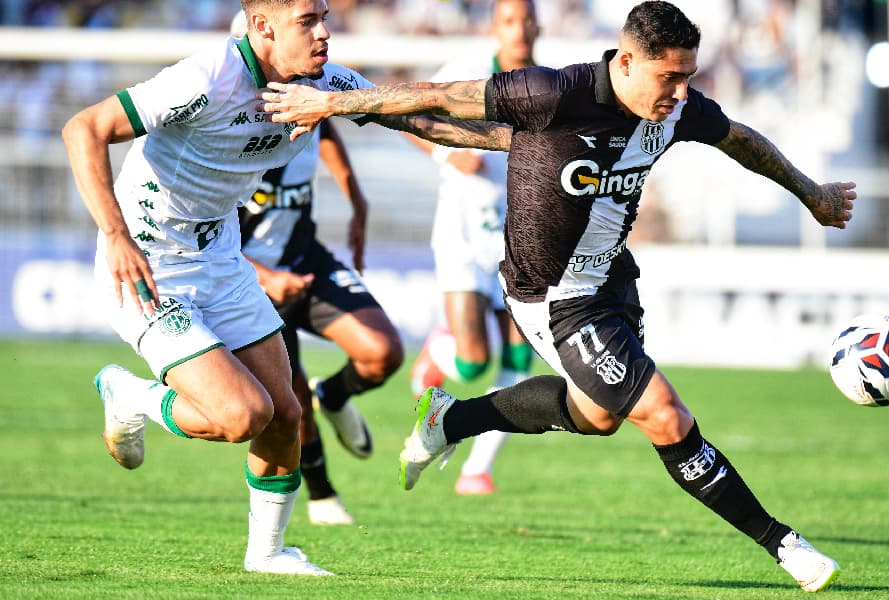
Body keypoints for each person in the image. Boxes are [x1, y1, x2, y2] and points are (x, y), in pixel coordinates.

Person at [259, 1, 857, 591]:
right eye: (668, 76)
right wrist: (334, 103)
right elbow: (441, 95)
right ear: (626, 61)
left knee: (598, 417)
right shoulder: (553, 94)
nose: (679, 91)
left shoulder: (677, 111)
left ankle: (451, 417)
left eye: (687, 77)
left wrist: (811, 193)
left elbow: (741, 138)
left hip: (614, 282)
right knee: (666, 416)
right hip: (552, 296)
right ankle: (785, 544)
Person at [61, 0, 510, 576]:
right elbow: (85, 128)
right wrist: (115, 234)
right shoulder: (204, 79)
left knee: (285, 414)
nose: (325, 32)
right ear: (263, 27)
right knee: (241, 415)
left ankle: (268, 554)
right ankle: (129, 394)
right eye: (308, 20)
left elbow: (418, 119)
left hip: (220, 258)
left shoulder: (324, 84)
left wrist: (517, 142)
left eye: (324, 16)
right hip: (149, 263)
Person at [230, 9, 402, 527]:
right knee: (289, 401)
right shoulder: (231, 122)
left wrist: (357, 199)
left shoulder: (307, 92)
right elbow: (205, 235)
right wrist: (265, 279)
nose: (321, 34)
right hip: (248, 279)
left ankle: (338, 393)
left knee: (383, 353)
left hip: (305, 258)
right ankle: (323, 495)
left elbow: (327, 131)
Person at [404, 0, 539, 496]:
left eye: (526, 20)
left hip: (519, 237)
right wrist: (448, 151)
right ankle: (438, 352)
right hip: (463, 230)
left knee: (521, 356)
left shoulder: (552, 81)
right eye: (509, 20)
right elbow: (409, 107)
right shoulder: (467, 71)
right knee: (471, 362)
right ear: (494, 27)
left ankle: (477, 469)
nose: (519, 29)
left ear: (538, 25)